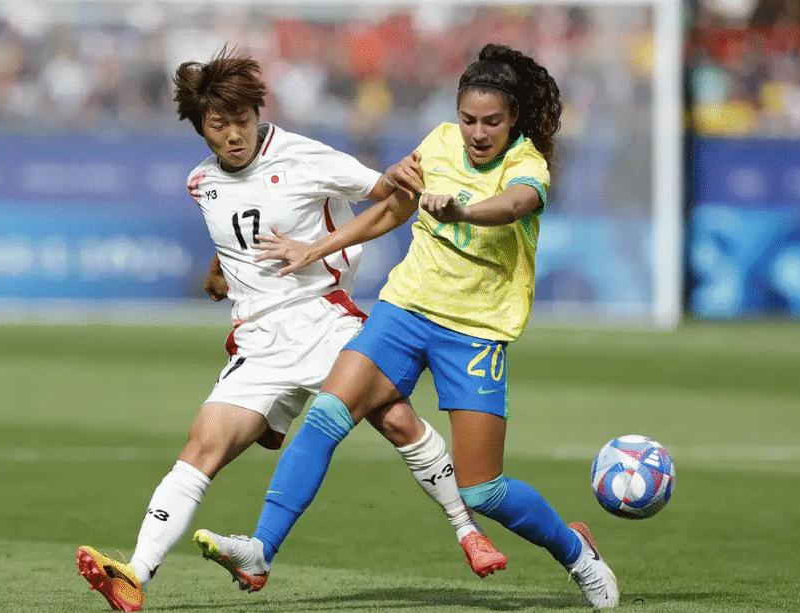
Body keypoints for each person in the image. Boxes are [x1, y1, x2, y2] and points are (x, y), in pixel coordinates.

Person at [74, 47, 505, 613]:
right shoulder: (201, 182)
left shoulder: (304, 157)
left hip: (325, 319)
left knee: (398, 420)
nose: (233, 136)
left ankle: (467, 531)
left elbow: (394, 200)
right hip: (258, 340)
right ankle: (135, 574)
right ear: (200, 127)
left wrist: (327, 243)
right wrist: (216, 273)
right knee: (203, 445)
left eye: (242, 121)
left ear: (258, 113)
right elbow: (232, 234)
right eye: (217, 125)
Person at [194, 43, 620, 608]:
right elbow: (394, 209)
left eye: (492, 121)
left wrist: (462, 210)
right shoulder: (439, 144)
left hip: (474, 330)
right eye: (469, 119)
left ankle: (575, 551)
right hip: (405, 309)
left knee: (483, 490)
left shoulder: (527, 164)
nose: (477, 132)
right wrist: (319, 246)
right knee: (325, 414)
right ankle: (261, 548)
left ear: (513, 118)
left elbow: (514, 206)